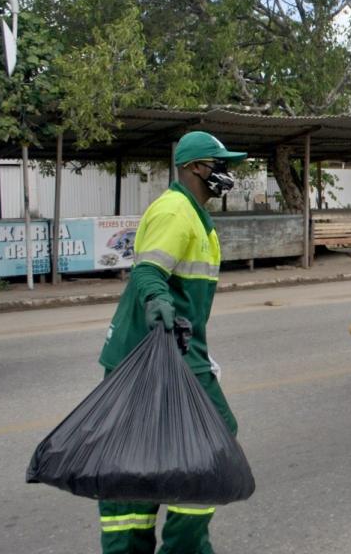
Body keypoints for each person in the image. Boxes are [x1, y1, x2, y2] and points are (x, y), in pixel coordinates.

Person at [97, 131, 247, 554]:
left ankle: (175, 545)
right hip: (148, 354)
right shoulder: (174, 210)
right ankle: (178, 548)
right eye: (221, 165)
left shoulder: (195, 215)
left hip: (178, 351)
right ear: (197, 167)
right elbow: (147, 272)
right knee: (205, 441)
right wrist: (158, 300)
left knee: (152, 451)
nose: (227, 173)